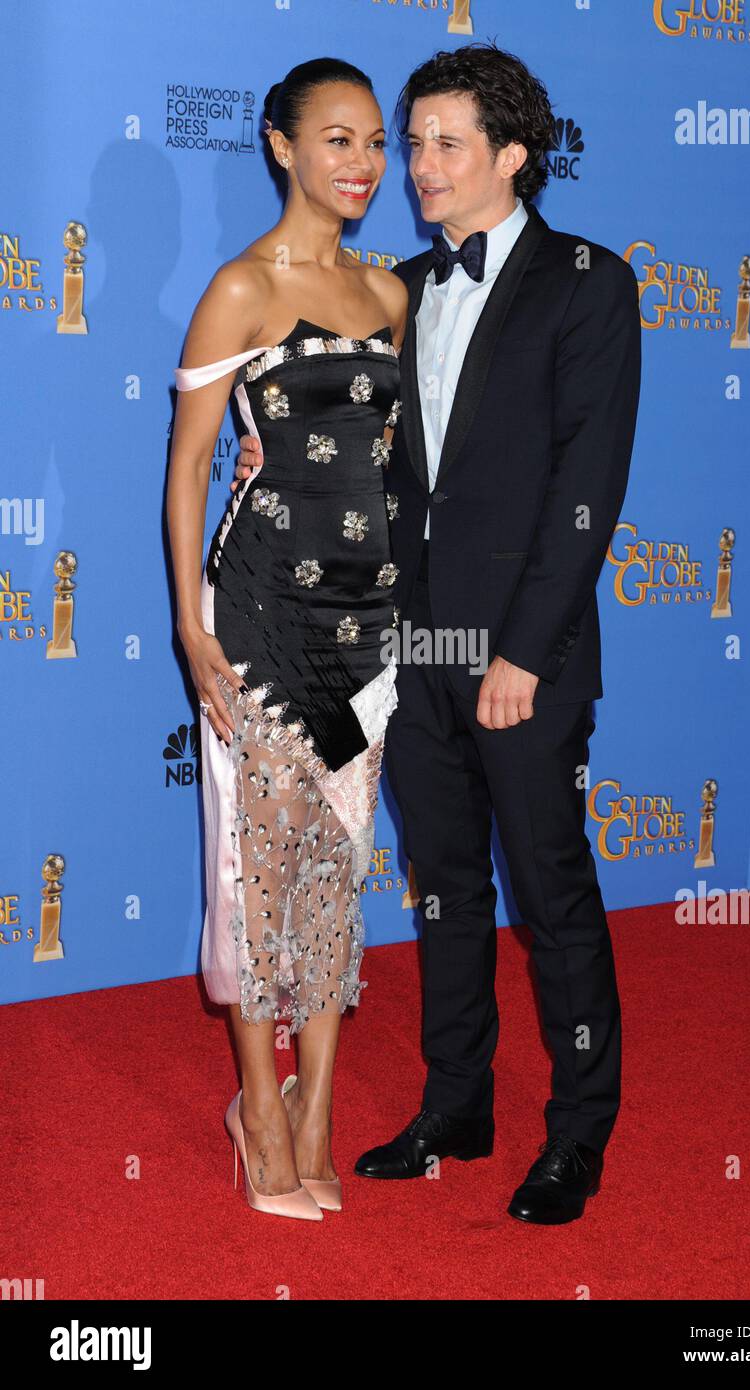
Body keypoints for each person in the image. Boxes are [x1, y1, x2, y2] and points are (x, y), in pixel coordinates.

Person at [234, 41, 642, 1225]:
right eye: (409, 142)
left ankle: (578, 1132)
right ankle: (455, 1103)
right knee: (443, 889)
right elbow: (354, 454)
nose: (415, 164)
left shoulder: (588, 283)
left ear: (513, 156)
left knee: (550, 890)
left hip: (524, 656)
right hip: (407, 654)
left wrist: (521, 654)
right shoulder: (399, 286)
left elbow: (587, 488)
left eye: (442, 142)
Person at [167, 58, 408, 1221]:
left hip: (368, 625)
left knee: (335, 874)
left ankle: (318, 1110)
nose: (361, 164)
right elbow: (187, 469)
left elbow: (385, 460)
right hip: (257, 611)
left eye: (374, 142)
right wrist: (186, 620)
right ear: (280, 145)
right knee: (256, 875)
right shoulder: (239, 289)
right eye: (336, 140)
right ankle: (259, 1110)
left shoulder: (388, 294)